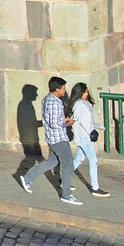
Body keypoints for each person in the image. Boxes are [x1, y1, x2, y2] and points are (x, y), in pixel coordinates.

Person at [19, 76, 81, 204]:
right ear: (57, 89)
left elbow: (52, 119)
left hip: (53, 138)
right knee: (68, 165)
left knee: (52, 162)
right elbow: (54, 123)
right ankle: (67, 195)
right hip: (58, 139)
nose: (65, 90)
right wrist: (68, 123)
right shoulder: (54, 102)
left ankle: (27, 179)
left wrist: (62, 120)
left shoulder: (48, 99)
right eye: (63, 88)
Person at [68, 82, 110, 197]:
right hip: (84, 138)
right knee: (93, 160)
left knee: (79, 159)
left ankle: (65, 179)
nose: (87, 93)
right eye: (86, 91)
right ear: (80, 92)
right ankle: (95, 188)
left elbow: (88, 122)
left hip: (86, 136)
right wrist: (77, 139)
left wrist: (98, 126)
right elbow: (76, 123)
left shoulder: (85, 104)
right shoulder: (79, 105)